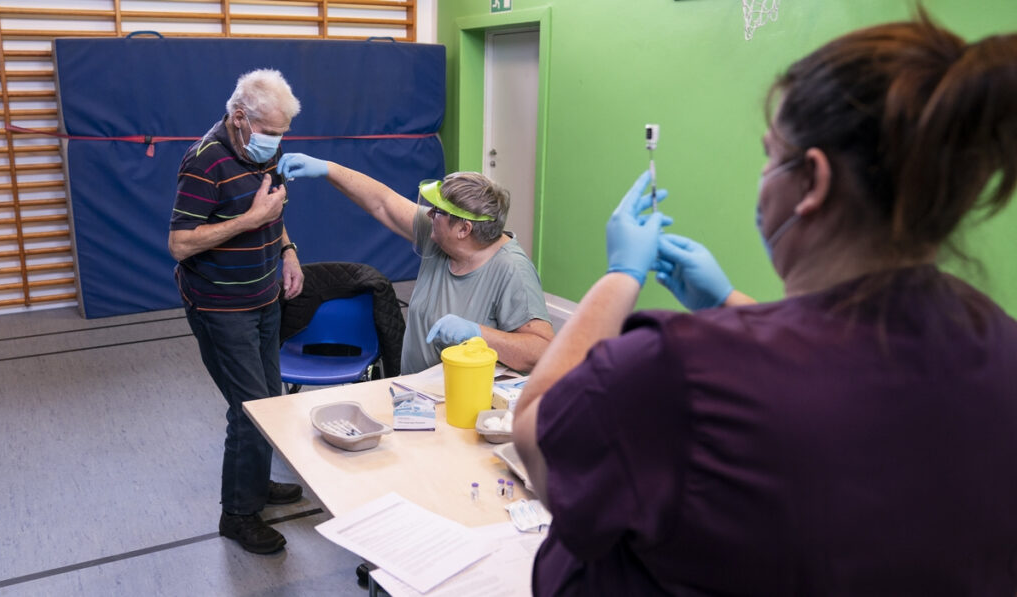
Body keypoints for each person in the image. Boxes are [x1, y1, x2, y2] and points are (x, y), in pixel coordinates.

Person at [514, 14, 1017, 596]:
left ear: (813, 181)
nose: (761, 177)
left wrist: (618, 277)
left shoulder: (676, 372)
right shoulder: (1000, 348)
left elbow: (535, 436)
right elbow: (832, 368)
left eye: (769, 156)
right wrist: (727, 302)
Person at [168, 69, 306, 554]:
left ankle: (256, 481)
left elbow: (276, 210)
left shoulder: (265, 148)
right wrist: (250, 221)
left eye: (283, 133)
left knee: (270, 402)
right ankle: (238, 515)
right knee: (248, 412)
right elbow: (181, 244)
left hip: (264, 295)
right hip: (220, 307)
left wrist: (287, 251)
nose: (278, 142)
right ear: (239, 117)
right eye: (270, 132)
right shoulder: (203, 162)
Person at [277, 154, 554, 374]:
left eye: (438, 211)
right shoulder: (441, 237)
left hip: (464, 404)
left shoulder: (511, 270)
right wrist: (328, 169)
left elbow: (541, 351)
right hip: (418, 398)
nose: (429, 213)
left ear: (464, 229)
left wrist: (478, 333)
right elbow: (382, 202)